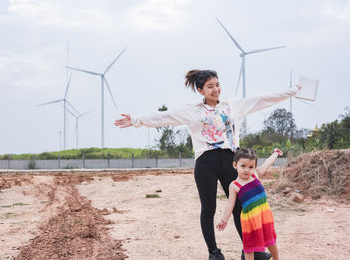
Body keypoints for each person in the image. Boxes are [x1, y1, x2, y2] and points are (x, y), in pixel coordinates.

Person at [114, 69, 300, 260]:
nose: (216, 89)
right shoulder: (191, 111)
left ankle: (250, 250)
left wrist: (293, 91)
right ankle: (214, 252)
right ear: (200, 90)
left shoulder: (232, 106)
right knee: (208, 208)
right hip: (206, 162)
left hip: (230, 159)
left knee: (240, 206)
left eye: (217, 85)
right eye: (210, 87)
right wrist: (136, 120)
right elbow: (164, 117)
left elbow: (263, 99)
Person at [217, 148, 283, 260]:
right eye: (243, 166)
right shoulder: (234, 185)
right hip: (250, 219)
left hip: (264, 215)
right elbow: (230, 204)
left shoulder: (255, 175)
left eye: (251, 167)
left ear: (255, 167)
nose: (247, 170)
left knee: (270, 240)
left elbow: (267, 162)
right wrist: (224, 220)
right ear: (235, 165)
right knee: (249, 246)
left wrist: (276, 153)